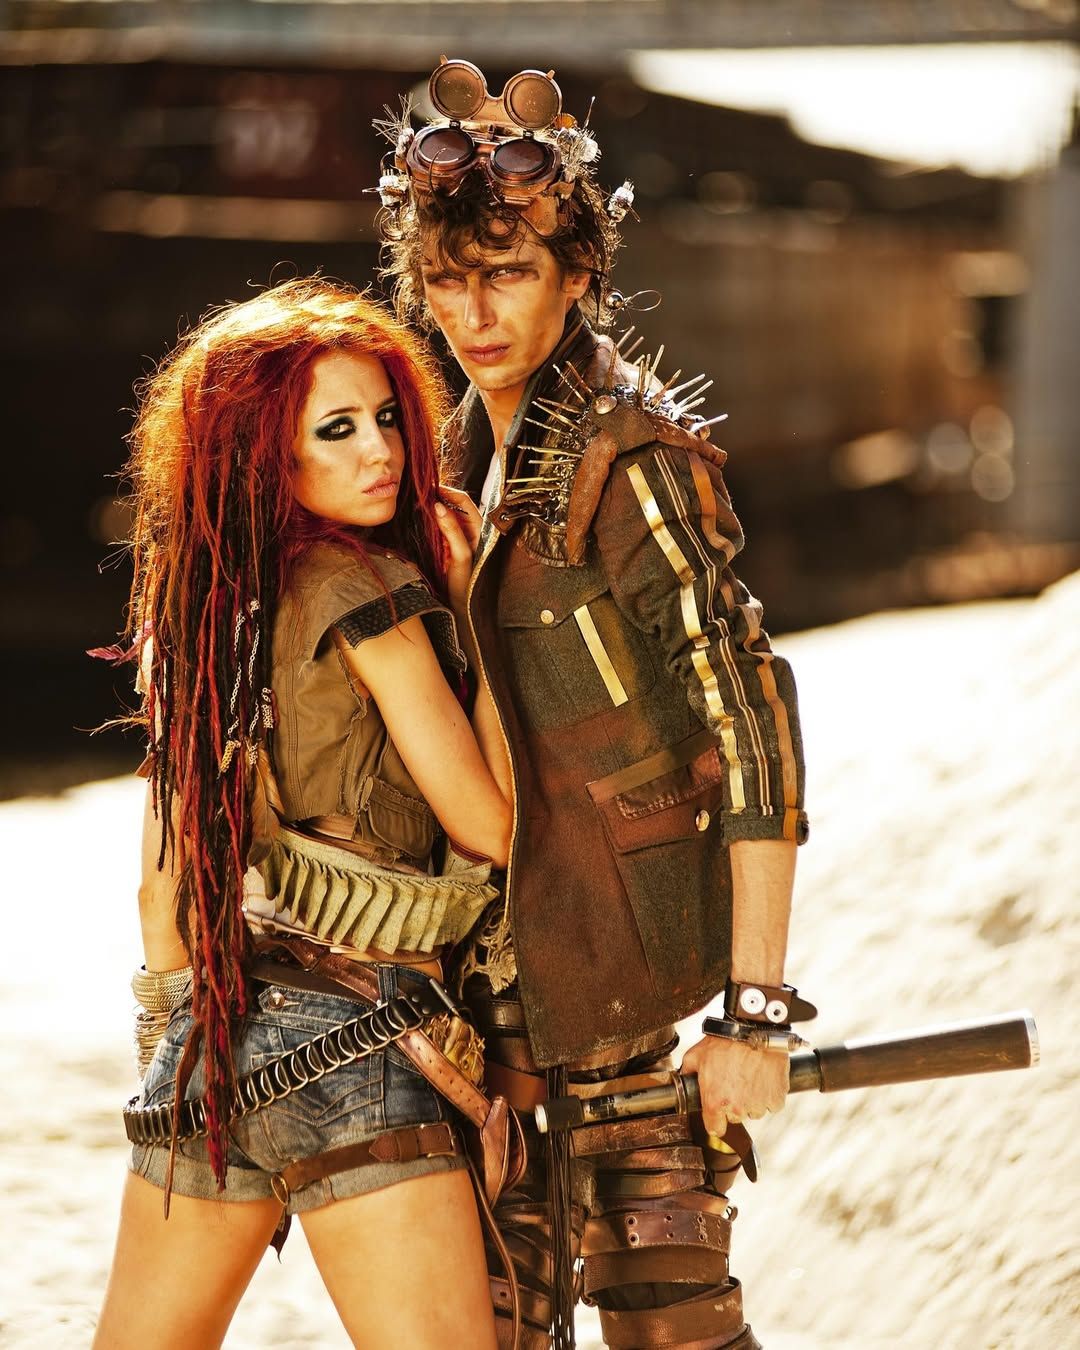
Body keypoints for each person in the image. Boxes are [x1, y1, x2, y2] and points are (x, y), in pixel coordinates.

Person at [375, 59, 811, 1349]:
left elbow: (749, 712)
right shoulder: (453, 452)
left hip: (626, 992)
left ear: (576, 274)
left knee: (672, 1327)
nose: (472, 312)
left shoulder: (629, 457)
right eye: (445, 280)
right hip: (491, 1003)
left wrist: (755, 1013)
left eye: (506, 273)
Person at [92, 278, 518, 1350]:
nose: (381, 451)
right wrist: (480, 606)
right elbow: (494, 828)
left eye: (386, 418)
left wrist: (178, 1053)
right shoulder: (363, 587)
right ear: (266, 455)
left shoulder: (199, 606)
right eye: (338, 430)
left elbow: (162, 883)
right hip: (361, 1040)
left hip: (208, 1039)